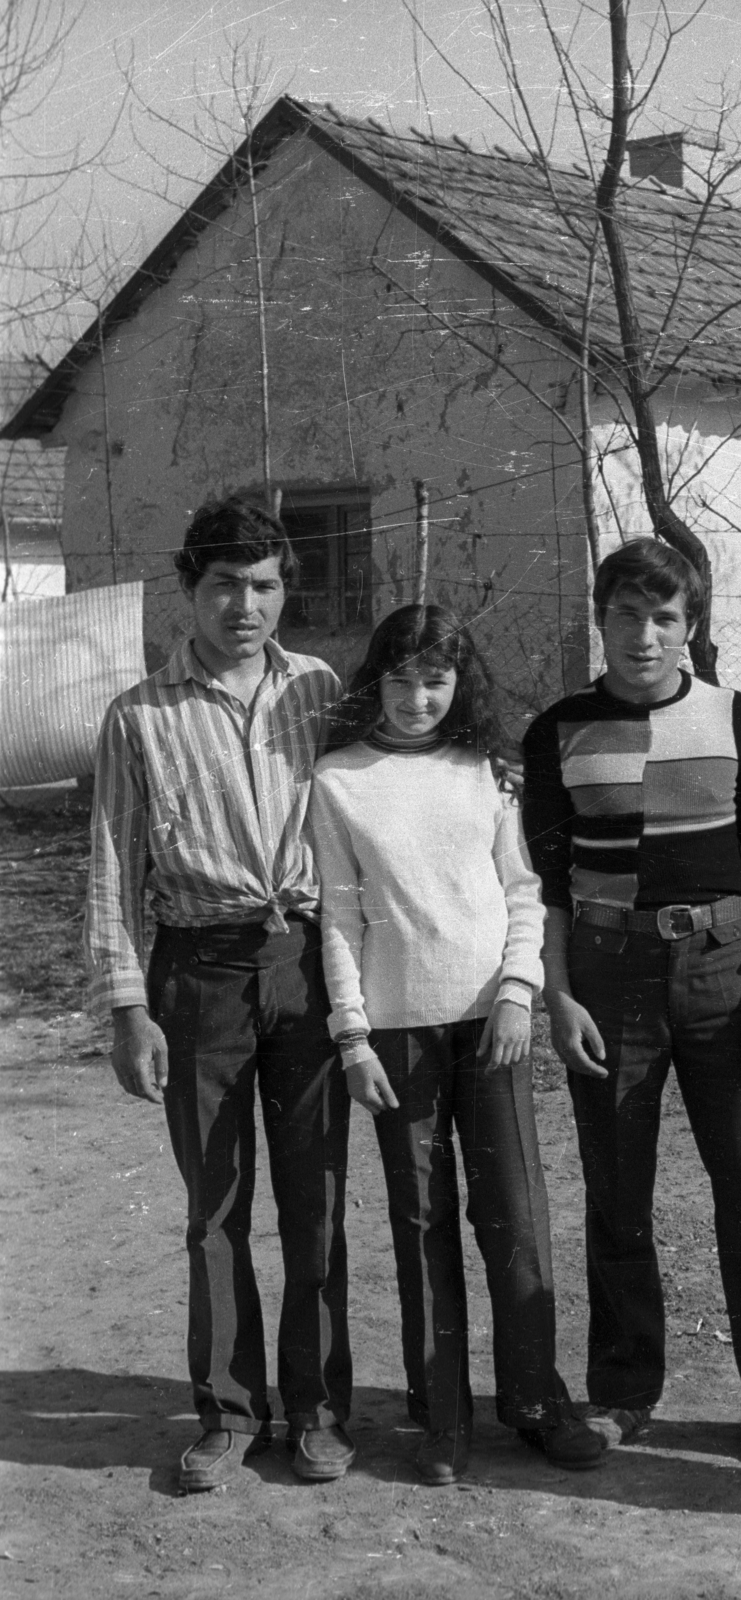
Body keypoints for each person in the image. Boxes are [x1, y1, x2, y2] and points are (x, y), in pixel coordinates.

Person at [521, 537, 741, 1476]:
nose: (643, 636)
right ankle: (620, 1392)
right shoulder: (558, 730)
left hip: (722, 974)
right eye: (625, 615)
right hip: (608, 981)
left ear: (689, 625)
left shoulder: (734, 716)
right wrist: (559, 996)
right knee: (618, 1199)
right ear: (601, 620)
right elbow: (551, 886)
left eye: (664, 618)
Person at [84, 496, 355, 1493]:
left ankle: (319, 1413)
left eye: (265, 584)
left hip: (304, 961)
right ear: (189, 590)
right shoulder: (139, 714)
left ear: (285, 588)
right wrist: (126, 1004)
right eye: (224, 585)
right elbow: (112, 863)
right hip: (196, 971)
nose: (246, 605)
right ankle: (230, 1412)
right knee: (217, 1210)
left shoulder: (320, 692)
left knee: (315, 1199)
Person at [307, 604, 603, 1485]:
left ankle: (536, 1400)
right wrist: (352, 1037)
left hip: (492, 1028)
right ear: (376, 682)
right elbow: (340, 917)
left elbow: (522, 892)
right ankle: (442, 1414)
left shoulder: (487, 771)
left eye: (434, 680)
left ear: (456, 684)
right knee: (421, 1218)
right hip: (397, 1036)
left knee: (512, 1211)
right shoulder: (337, 781)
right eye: (399, 680)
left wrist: (517, 996)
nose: (416, 698)